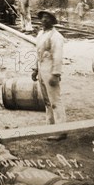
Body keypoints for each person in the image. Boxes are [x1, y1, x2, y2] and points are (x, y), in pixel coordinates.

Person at [32, 10, 66, 141]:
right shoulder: (41, 34)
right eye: (43, 18)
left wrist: (56, 74)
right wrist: (35, 69)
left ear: (53, 21)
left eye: (47, 18)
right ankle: (50, 127)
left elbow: (58, 57)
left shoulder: (56, 36)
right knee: (47, 102)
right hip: (42, 70)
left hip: (51, 71)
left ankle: (61, 130)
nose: (44, 20)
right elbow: (38, 53)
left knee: (55, 101)